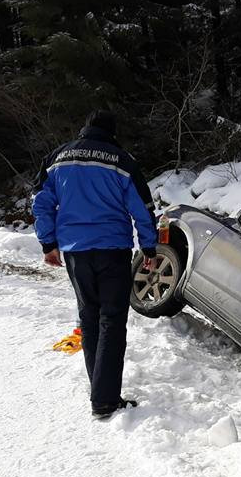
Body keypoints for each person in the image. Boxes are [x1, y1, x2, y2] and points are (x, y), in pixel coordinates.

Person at [33, 110, 157, 418]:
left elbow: (41, 201)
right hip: (113, 248)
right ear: (111, 133)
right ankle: (104, 400)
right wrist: (150, 246)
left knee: (89, 317)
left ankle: (98, 390)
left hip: (75, 251)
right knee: (111, 321)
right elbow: (142, 207)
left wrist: (48, 243)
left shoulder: (58, 157)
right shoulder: (120, 159)